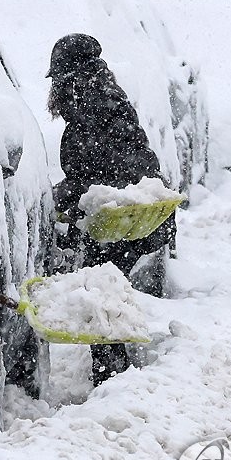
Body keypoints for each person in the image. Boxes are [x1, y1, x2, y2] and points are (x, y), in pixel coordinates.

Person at [45, 32, 176, 387]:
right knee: (104, 291)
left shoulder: (96, 108)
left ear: (71, 78)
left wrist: (65, 195)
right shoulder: (98, 101)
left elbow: (102, 173)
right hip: (118, 225)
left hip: (122, 224)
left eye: (58, 80)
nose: (54, 90)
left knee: (103, 294)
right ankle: (112, 374)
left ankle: (112, 378)